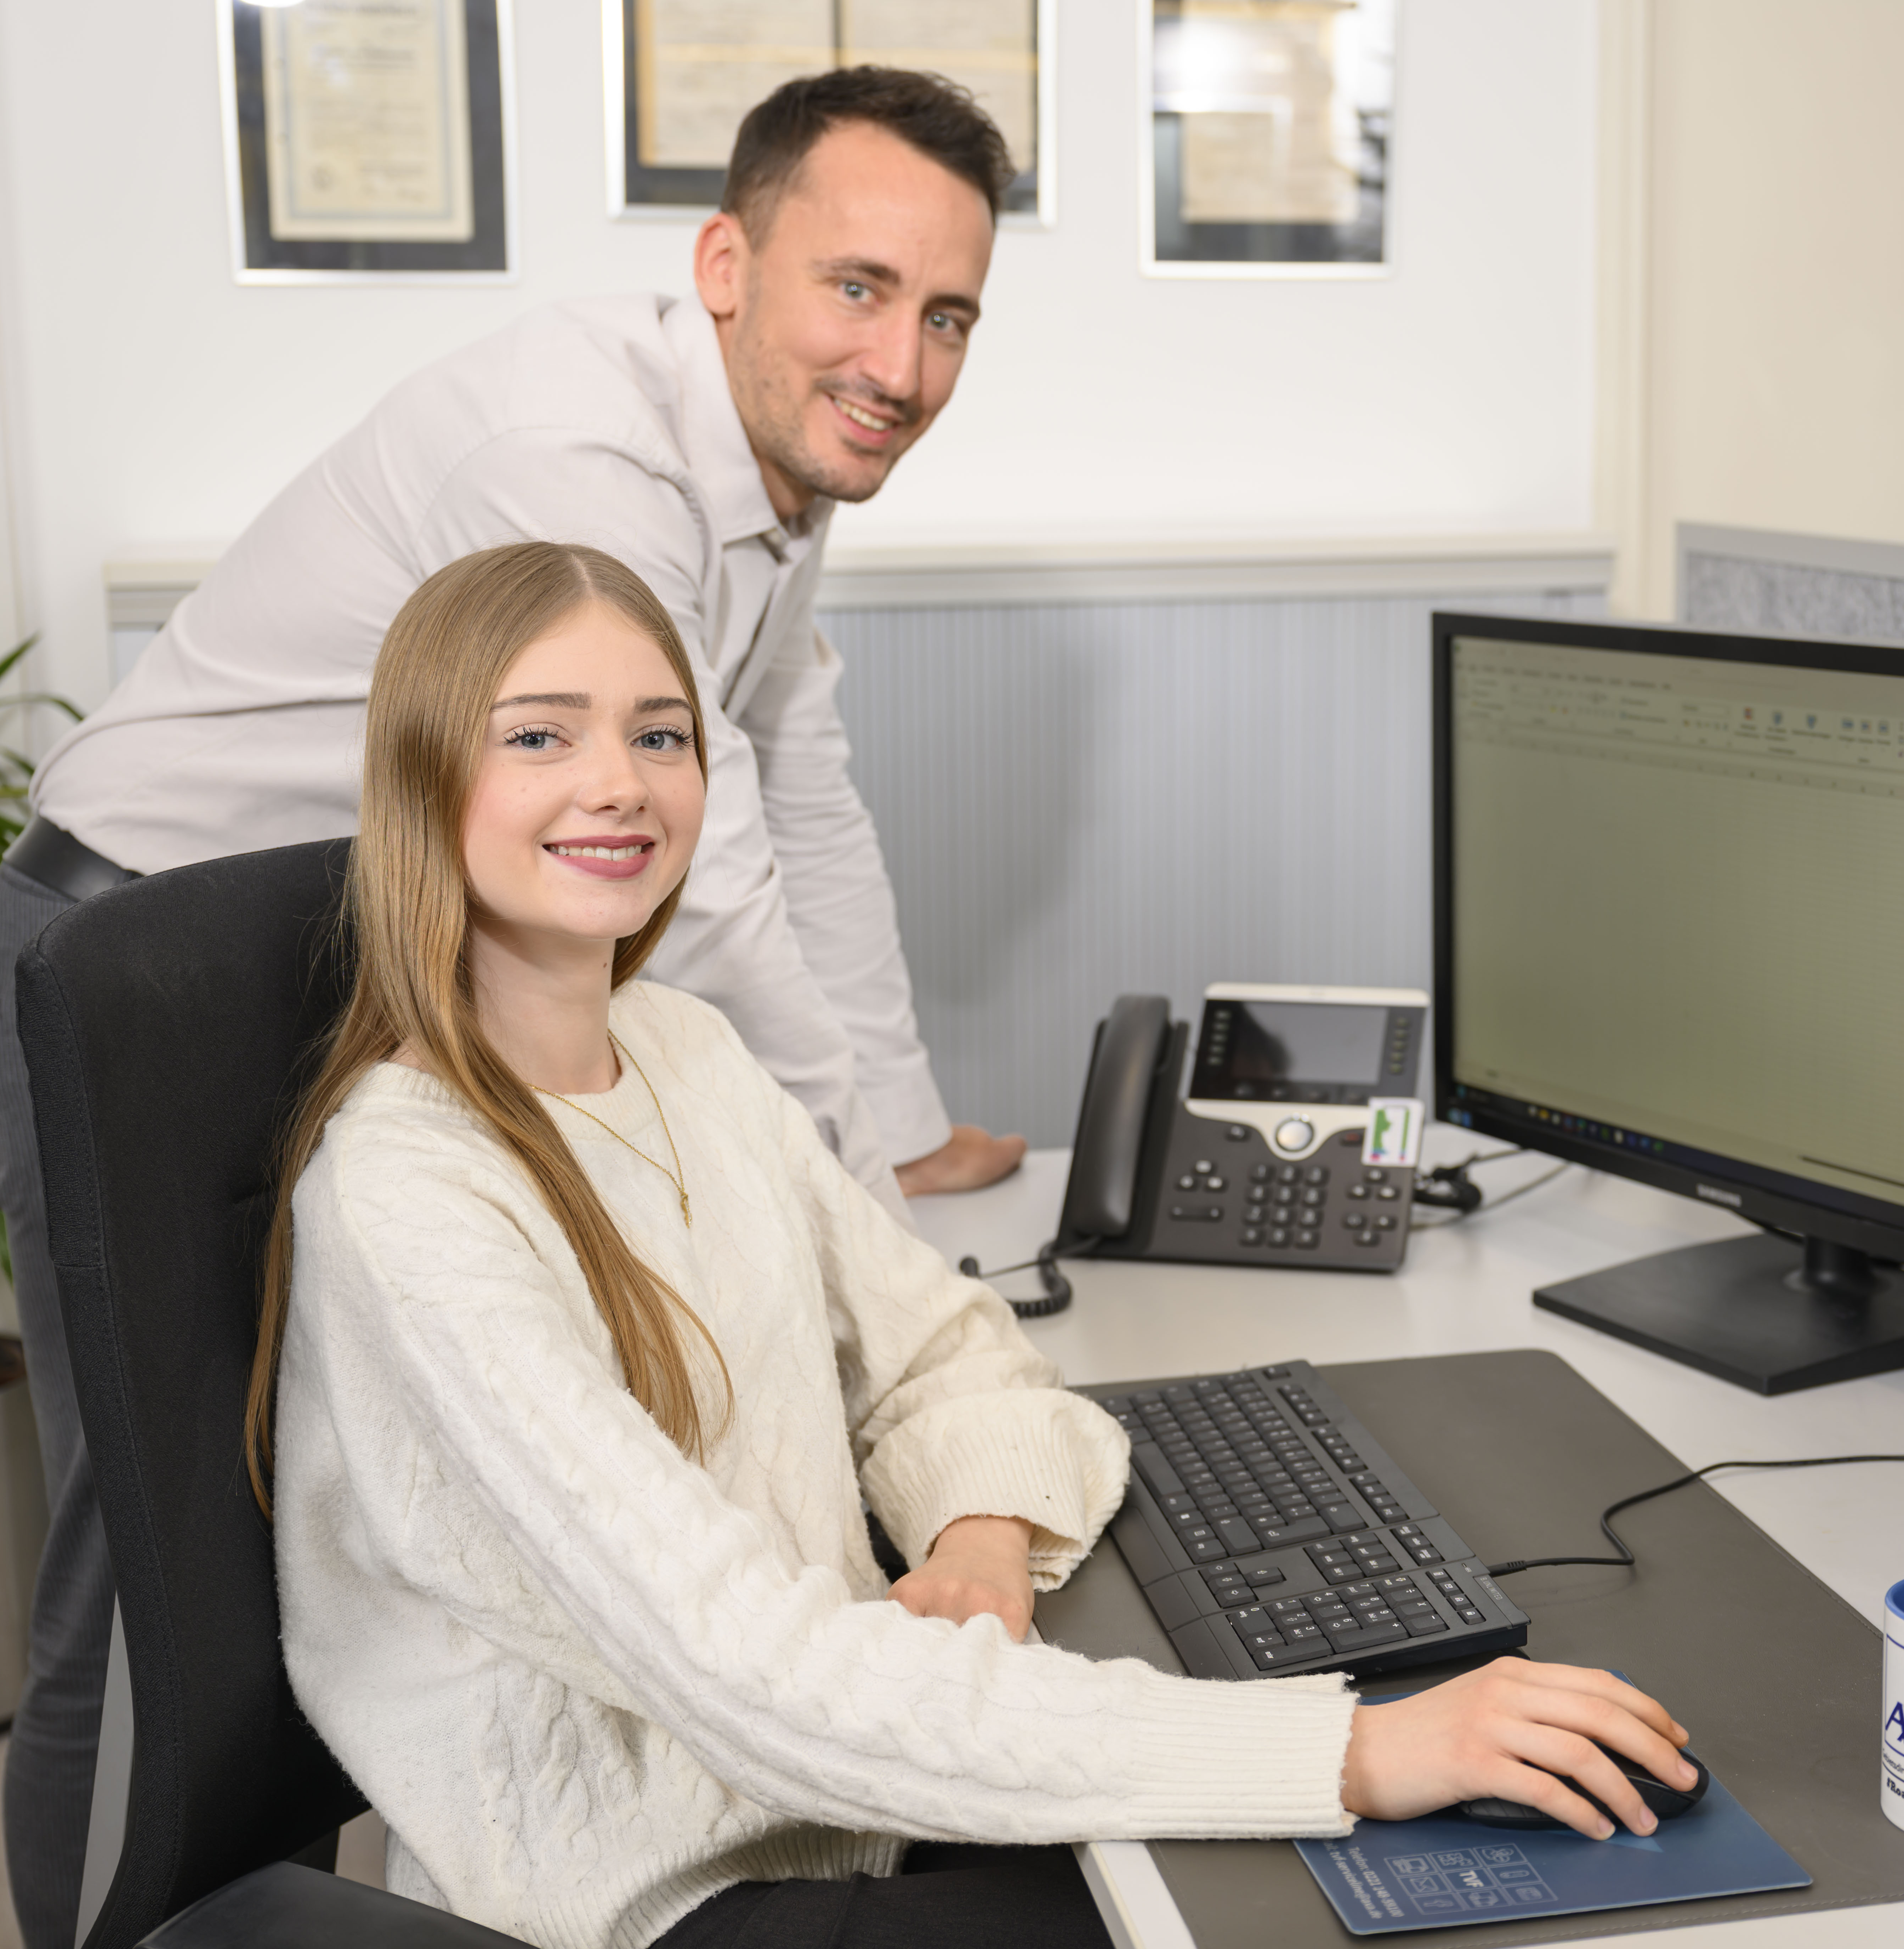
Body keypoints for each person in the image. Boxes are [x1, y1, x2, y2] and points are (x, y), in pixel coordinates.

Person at [259, 539, 1700, 1947]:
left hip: (849, 1795)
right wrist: (1353, 1752)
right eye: (540, 736)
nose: (619, 782)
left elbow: (942, 1345)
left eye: (659, 732)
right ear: (426, 778)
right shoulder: (414, 1189)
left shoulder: (680, 1049)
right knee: (1328, 1885)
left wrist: (979, 1526)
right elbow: (744, 1671)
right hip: (659, 1889)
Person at [0, 70, 1030, 1944]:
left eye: (947, 315)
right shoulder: (586, 454)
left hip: (367, 955)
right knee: (146, 1582)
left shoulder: (773, 474)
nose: (903, 359)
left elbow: (800, 780)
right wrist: (860, 1223)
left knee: (392, 1540)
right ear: (724, 261)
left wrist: (910, 1144)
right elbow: (711, 891)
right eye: (857, 287)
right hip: (133, 956)